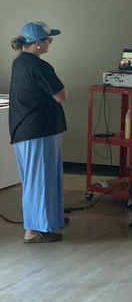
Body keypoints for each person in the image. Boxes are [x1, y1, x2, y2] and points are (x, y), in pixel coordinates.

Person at [9, 22, 68, 244]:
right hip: (38, 131)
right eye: (48, 40)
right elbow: (61, 95)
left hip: (26, 130)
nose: (49, 43)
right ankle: (32, 232)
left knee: (41, 179)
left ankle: (49, 219)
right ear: (37, 43)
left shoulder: (20, 63)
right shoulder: (40, 67)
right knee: (40, 180)